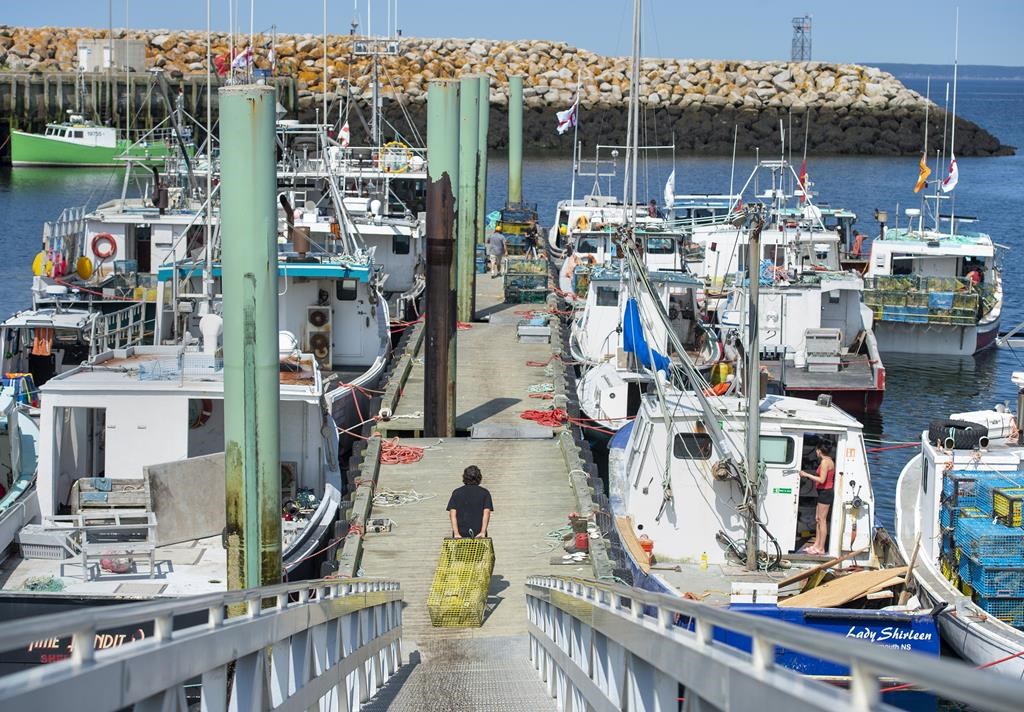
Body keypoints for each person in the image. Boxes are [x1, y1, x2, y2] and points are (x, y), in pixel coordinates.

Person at [799, 444, 835, 556]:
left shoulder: (825, 462)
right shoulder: (829, 460)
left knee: (822, 520)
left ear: (819, 451)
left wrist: (807, 475)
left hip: (825, 493)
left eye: (816, 450)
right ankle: (816, 544)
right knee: (818, 518)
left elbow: (822, 479)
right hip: (822, 492)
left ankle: (821, 547)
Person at [446, 465, 494, 539]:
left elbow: (452, 514)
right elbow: (486, 512)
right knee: (479, 550)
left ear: (464, 477)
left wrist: (456, 533)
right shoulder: (485, 493)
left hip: (460, 533)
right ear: (479, 478)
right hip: (478, 533)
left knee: (461, 551)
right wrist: (483, 531)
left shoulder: (457, 493)